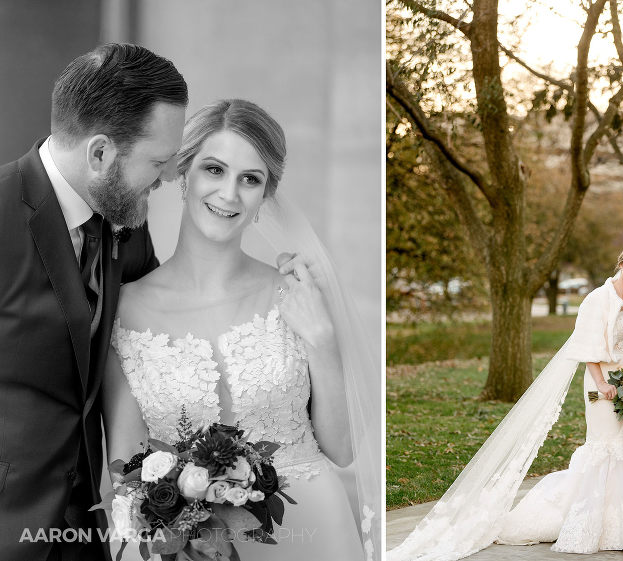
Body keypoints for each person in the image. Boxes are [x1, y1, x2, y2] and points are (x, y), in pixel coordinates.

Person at [103, 99, 379, 561]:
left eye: (250, 179)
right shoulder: (126, 309)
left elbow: (343, 449)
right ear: (182, 173)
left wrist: (322, 339)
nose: (229, 195)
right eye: (214, 170)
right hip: (189, 546)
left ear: (265, 196)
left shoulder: (295, 293)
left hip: (313, 530)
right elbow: (128, 472)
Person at [0, 43, 187, 561]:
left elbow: (147, 334)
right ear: (100, 153)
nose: (170, 178)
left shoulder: (126, 215)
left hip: (87, 529)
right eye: (159, 161)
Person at [387, 244, 623, 560]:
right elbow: (586, 346)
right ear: (621, 263)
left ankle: (620, 526)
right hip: (603, 384)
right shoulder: (598, 298)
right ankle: (589, 524)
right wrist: (601, 384)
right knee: (604, 446)